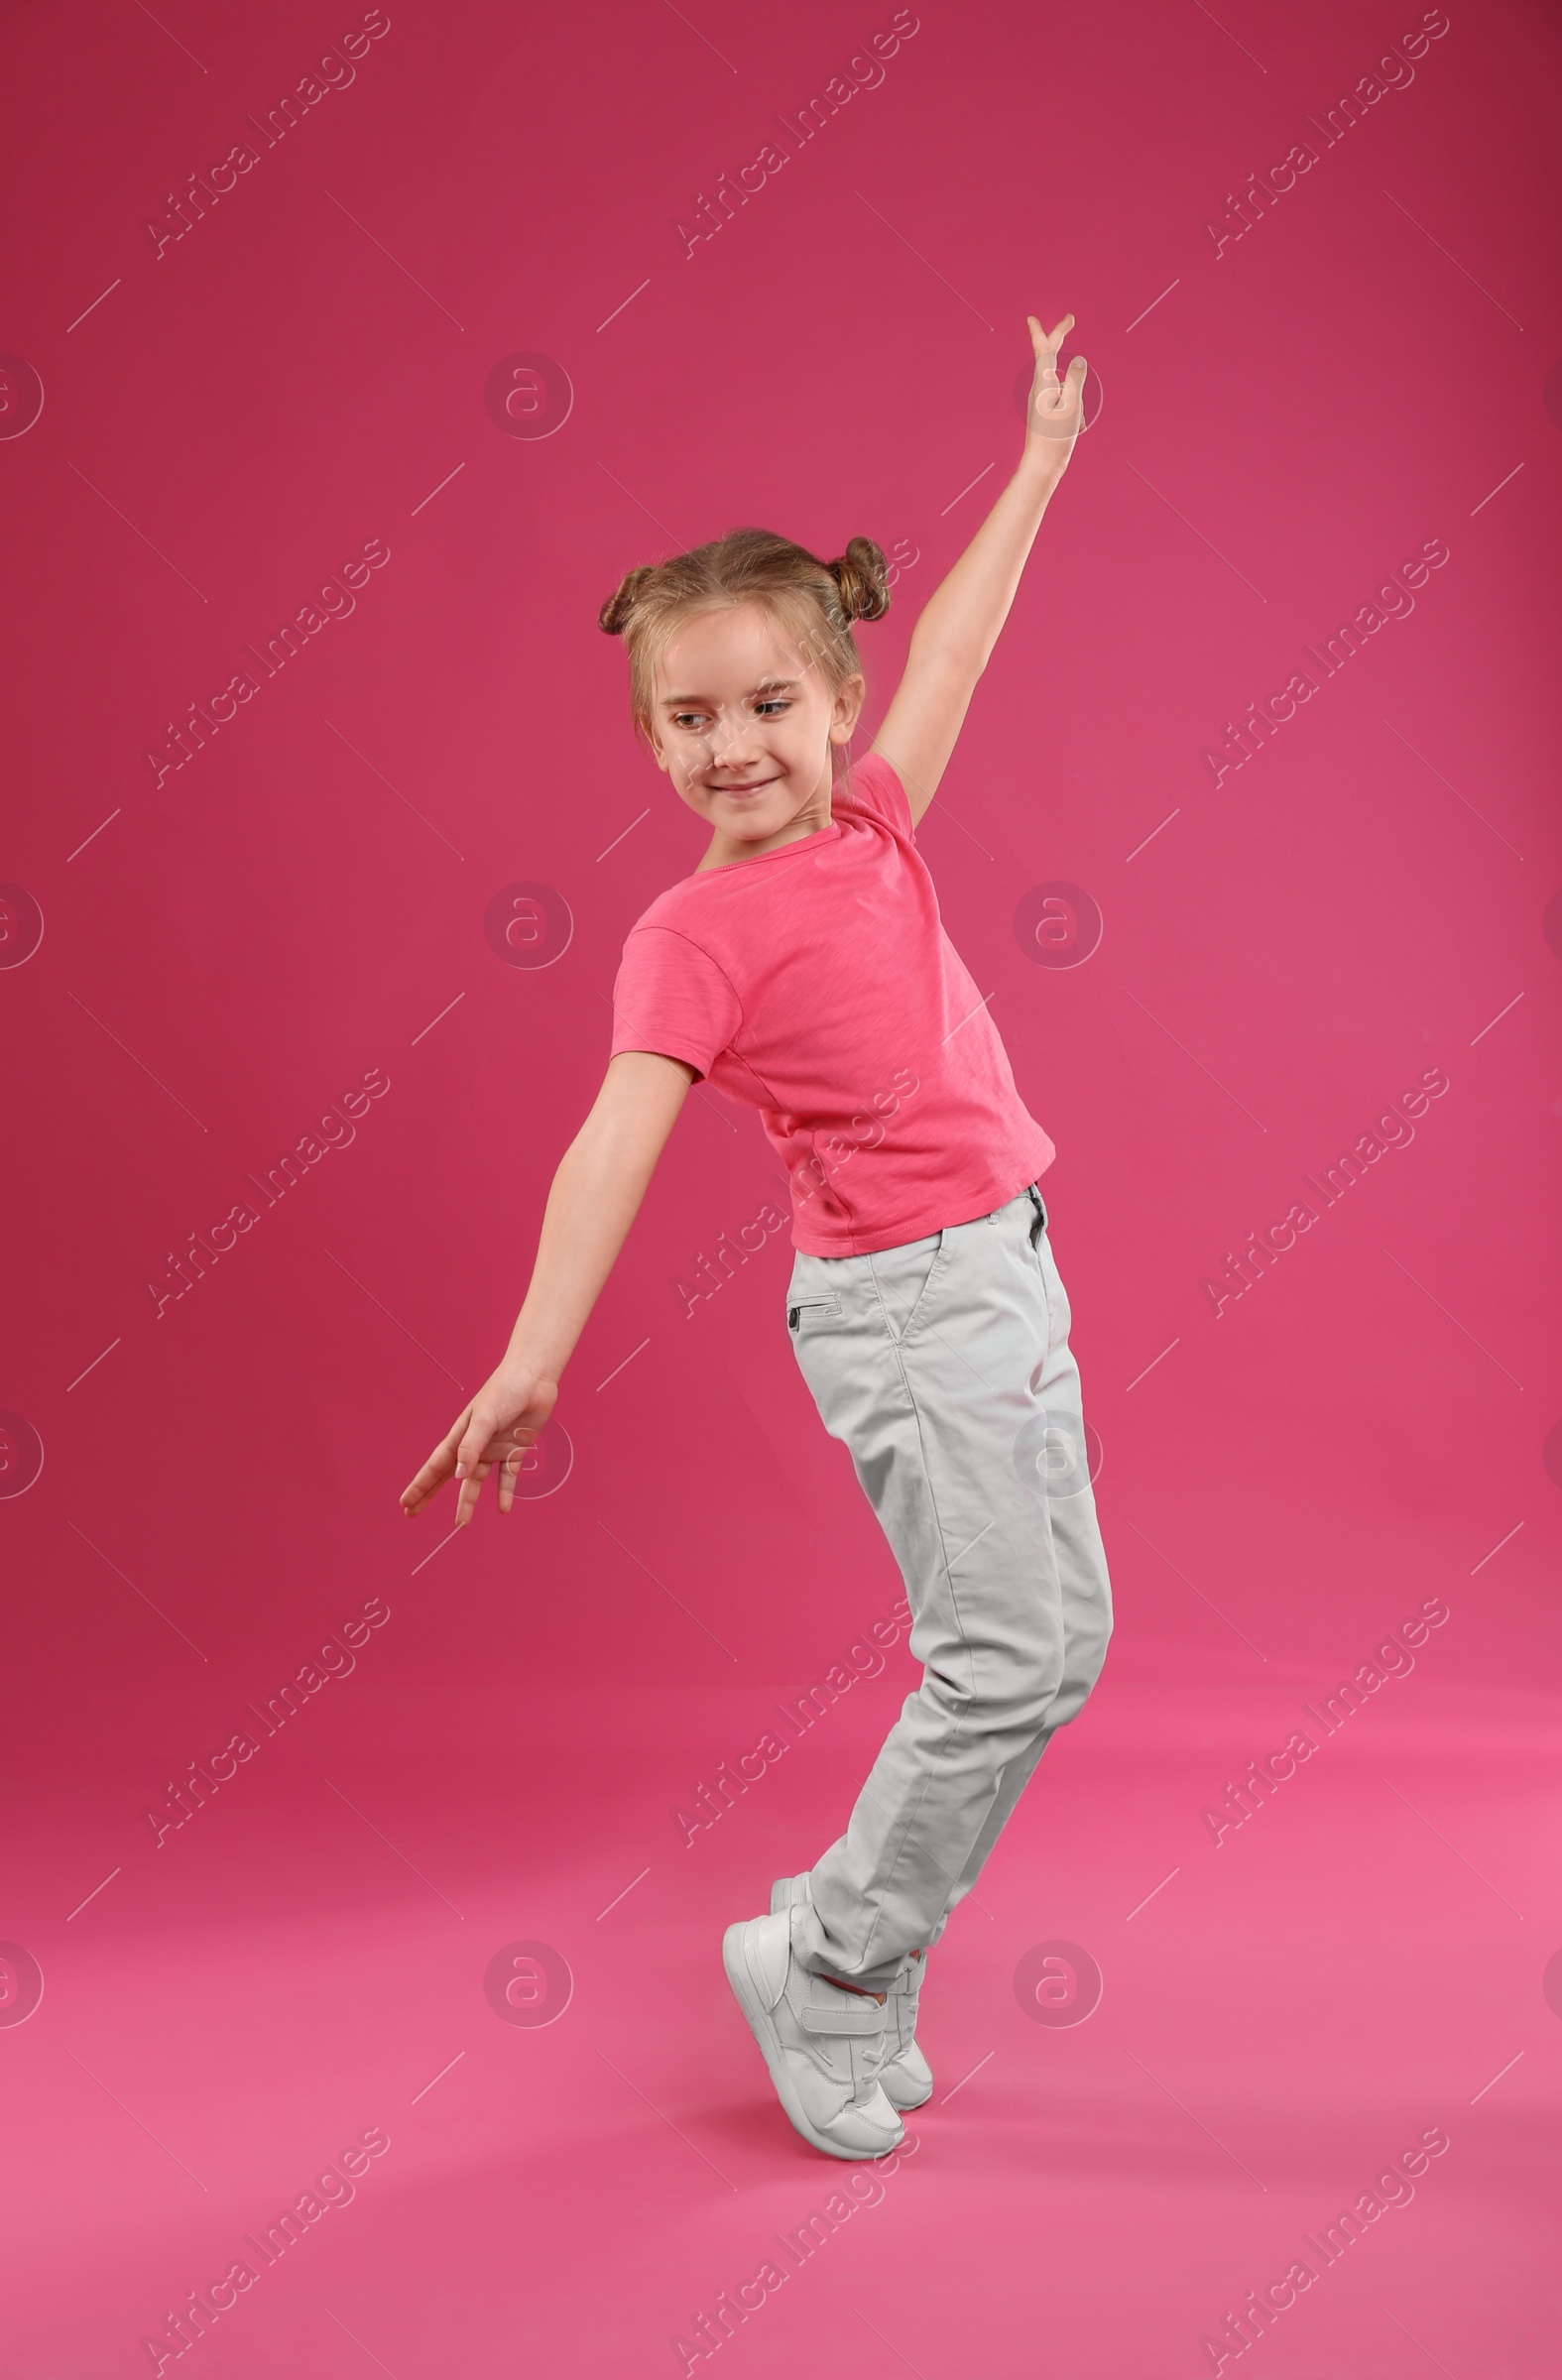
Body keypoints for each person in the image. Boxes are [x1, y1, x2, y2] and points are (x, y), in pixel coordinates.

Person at [400, 313, 1114, 2161]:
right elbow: (607, 1147)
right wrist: (532, 1353)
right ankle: (839, 1973)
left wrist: (1035, 465)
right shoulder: (687, 941)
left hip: (1005, 1266)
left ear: (835, 706)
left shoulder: (875, 824)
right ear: (648, 735)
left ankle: (831, 1923)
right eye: (688, 718)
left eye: (767, 705)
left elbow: (954, 642)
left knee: (1064, 1645)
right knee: (1001, 1663)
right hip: (903, 1307)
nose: (732, 747)